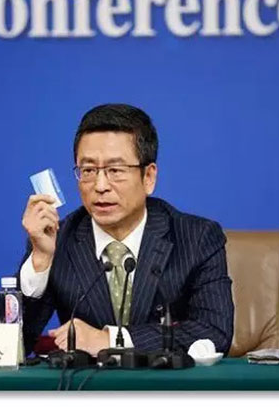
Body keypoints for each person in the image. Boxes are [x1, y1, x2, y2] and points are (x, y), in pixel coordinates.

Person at [18, 103, 234, 357]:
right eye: (88, 171)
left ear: (148, 177)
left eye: (115, 170)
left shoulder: (196, 238)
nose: (100, 186)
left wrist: (110, 339)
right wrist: (41, 260)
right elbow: (13, 343)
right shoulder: (58, 238)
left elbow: (215, 332)